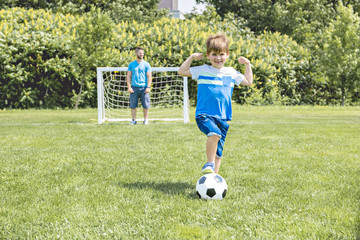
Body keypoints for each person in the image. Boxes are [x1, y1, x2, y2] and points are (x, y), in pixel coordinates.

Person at [178, 34, 253, 174]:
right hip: (204, 114)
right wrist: (192, 57)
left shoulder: (230, 73)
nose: (218, 58)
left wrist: (248, 64)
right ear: (208, 55)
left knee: (218, 152)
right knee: (214, 134)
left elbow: (248, 81)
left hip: (223, 117)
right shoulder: (202, 70)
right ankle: (208, 163)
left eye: (221, 54)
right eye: (214, 54)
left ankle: (213, 178)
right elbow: (181, 71)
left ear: (227, 55)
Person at [127, 47, 152, 125]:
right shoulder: (131, 64)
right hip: (134, 87)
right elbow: (128, 76)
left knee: (146, 105)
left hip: (144, 88)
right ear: (136, 54)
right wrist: (129, 87)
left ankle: (145, 120)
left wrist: (148, 87)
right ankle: (133, 120)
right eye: (140, 53)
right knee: (133, 105)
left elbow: (149, 77)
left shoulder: (146, 64)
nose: (142, 55)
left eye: (142, 53)